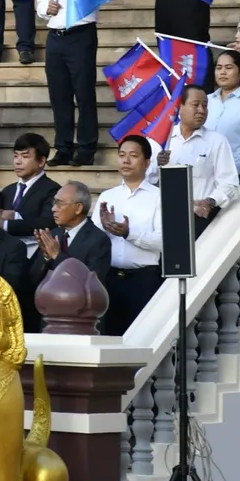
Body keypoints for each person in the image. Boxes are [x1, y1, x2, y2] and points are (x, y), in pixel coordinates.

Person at [96, 135, 165, 336]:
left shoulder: (158, 197)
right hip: (109, 279)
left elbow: (163, 242)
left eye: (133, 156)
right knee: (110, 338)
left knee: (141, 337)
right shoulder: (107, 196)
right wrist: (104, 228)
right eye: (122, 155)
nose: (126, 161)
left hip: (143, 280)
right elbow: (92, 241)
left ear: (147, 163)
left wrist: (129, 233)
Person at [36, 0, 99, 166]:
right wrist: (46, 8)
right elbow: (41, 2)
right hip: (55, 36)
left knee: (84, 93)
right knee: (59, 95)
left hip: (80, 35)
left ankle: (86, 147)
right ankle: (63, 147)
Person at [160, 85, 240, 234]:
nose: (201, 110)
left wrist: (210, 201)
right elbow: (145, 179)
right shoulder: (162, 140)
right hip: (163, 219)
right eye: (195, 104)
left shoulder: (216, 141)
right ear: (180, 106)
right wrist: (156, 166)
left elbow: (230, 184)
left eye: (205, 105)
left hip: (199, 219)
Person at [27, 182, 114, 314]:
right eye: (54, 203)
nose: (53, 209)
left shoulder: (98, 240)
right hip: (49, 311)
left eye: (60, 203)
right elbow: (32, 279)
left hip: (81, 315)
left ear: (78, 208)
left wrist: (57, 255)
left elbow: (91, 285)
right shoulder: (53, 234)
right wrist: (45, 257)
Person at [1, 133, 60, 237]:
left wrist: (8, 222)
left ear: (41, 161)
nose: (17, 161)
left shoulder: (53, 190)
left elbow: (47, 223)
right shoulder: (7, 190)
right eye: (15, 156)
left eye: (25, 156)